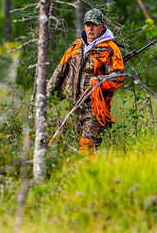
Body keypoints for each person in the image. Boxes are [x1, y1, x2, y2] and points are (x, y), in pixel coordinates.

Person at [46, 9, 125, 156]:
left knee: (86, 148)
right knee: (79, 148)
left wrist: (100, 81)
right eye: (87, 25)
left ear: (102, 26)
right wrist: (47, 97)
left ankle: (88, 175)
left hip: (96, 108)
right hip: (75, 106)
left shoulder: (110, 48)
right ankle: (88, 176)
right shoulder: (75, 46)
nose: (90, 28)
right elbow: (59, 72)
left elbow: (119, 76)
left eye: (94, 25)